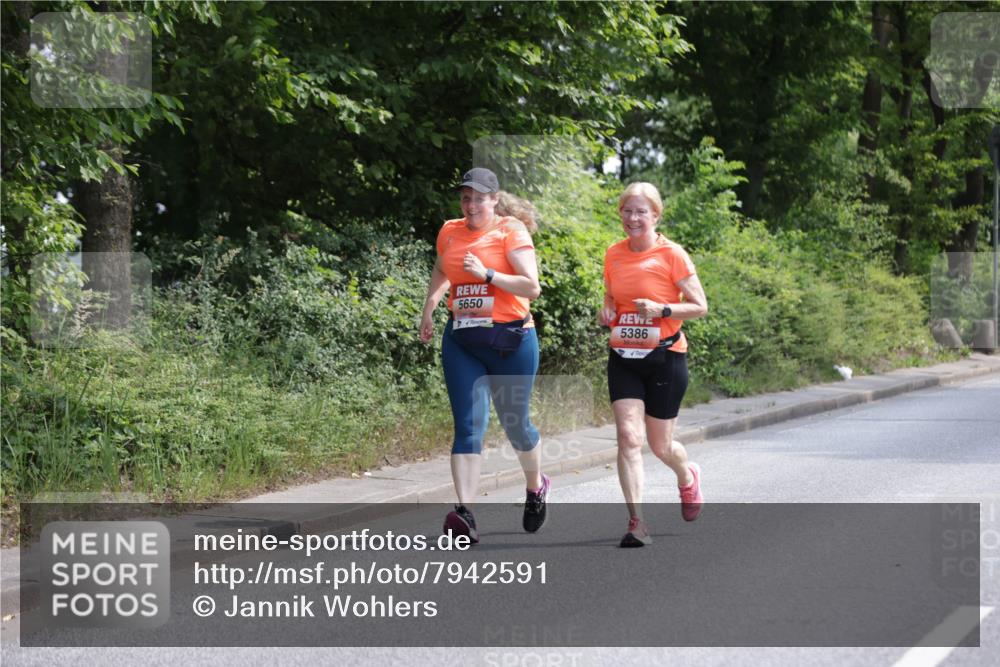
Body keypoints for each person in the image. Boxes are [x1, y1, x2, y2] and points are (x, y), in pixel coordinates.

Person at [419, 168, 548, 543]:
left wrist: (488, 274)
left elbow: (531, 286)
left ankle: (535, 486)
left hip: (511, 341)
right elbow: (443, 267)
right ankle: (465, 513)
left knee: (516, 425)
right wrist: (430, 305)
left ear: (494, 199)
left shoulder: (511, 232)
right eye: (465, 197)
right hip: (462, 341)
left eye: (478, 198)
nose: (471, 204)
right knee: (468, 425)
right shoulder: (450, 230)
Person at [600, 182, 709, 548]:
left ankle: (686, 474)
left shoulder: (672, 255)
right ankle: (636, 522)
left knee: (661, 446)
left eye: (641, 212)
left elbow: (699, 305)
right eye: (627, 211)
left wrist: (663, 309)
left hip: (666, 356)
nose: (633, 218)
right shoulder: (613, 254)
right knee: (629, 438)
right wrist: (608, 311)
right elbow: (611, 298)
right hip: (624, 356)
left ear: (656, 215)